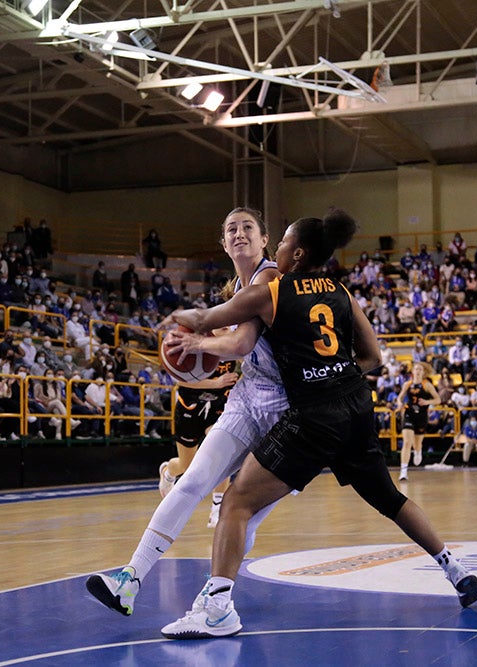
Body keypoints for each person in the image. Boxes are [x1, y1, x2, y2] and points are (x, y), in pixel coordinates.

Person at [159, 209, 477, 639]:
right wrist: (335, 371)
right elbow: (374, 359)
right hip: (354, 403)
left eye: (282, 243)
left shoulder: (272, 291)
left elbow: (208, 321)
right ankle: (456, 571)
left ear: (296, 254)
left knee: (235, 503)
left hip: (312, 417)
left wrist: (184, 332)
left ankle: (216, 607)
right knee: (388, 497)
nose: (275, 251)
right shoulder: (341, 292)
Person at [85, 207, 290, 619]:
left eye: (247, 227)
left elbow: (241, 345)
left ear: (264, 239)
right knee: (191, 480)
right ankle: (129, 579)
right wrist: (209, 336)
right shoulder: (237, 285)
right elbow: (237, 341)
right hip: (249, 399)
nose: (239, 233)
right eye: (230, 228)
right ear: (223, 242)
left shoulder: (269, 277)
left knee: (239, 511)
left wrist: (201, 343)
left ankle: (218, 602)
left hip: (287, 413)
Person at [159, 360, 240, 527]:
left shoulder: (234, 340)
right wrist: (215, 383)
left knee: (222, 450)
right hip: (190, 406)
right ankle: (168, 471)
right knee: (188, 467)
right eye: (221, 329)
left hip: (219, 405)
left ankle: (218, 506)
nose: (226, 330)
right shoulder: (197, 341)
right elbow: (179, 379)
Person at [395, 363, 441, 481]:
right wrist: (400, 403)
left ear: (423, 372)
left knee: (417, 443)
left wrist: (427, 402)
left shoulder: (427, 385)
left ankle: (418, 451)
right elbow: (400, 397)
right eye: (416, 369)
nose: (418, 371)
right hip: (409, 413)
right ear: (413, 372)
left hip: (421, 416)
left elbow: (438, 400)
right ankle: (403, 471)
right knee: (406, 442)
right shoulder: (407, 384)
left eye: (420, 369)